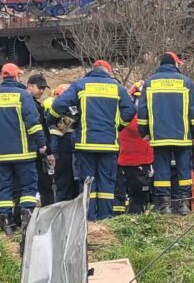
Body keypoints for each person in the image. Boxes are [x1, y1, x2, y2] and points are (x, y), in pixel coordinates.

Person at [52, 60, 135, 221]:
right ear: (107, 72)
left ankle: (88, 220)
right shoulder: (117, 87)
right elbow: (130, 110)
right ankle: (105, 219)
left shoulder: (80, 85)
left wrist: (55, 121)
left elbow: (58, 106)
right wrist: (117, 126)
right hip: (108, 144)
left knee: (87, 182)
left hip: (85, 144)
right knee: (106, 183)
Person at [0, 63, 46, 235]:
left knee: (4, 188)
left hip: (2, 155)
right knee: (28, 186)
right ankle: (26, 218)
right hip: (24, 153)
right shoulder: (23, 95)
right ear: (17, 76)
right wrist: (41, 144)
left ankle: (6, 221)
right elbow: (33, 123)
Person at [138, 52, 194, 215]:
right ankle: (184, 204)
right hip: (183, 136)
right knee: (184, 170)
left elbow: (143, 110)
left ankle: (164, 206)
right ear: (175, 64)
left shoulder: (150, 82)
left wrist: (144, 132)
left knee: (161, 170)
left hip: (159, 136)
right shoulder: (186, 82)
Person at [118, 81, 154, 214]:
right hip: (134, 163)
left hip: (143, 162)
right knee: (137, 198)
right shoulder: (130, 116)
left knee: (143, 197)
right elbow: (140, 128)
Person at [26, 73, 56, 207]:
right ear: (30, 86)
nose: (42, 91)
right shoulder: (29, 105)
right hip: (34, 150)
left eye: (44, 88)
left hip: (36, 150)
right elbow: (40, 130)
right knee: (42, 186)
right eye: (39, 88)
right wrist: (46, 149)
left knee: (45, 186)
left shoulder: (34, 104)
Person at [44, 84, 77, 202]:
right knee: (64, 182)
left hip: (61, 145)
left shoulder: (52, 104)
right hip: (61, 146)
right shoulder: (56, 105)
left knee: (64, 182)